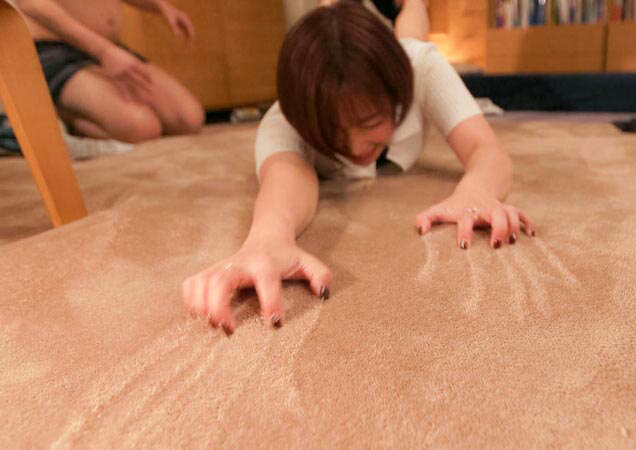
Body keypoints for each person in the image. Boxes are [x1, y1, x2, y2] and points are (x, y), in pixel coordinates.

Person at [181, 1, 535, 333]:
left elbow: (486, 149)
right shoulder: (286, 119)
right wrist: (267, 238)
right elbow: (285, 178)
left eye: (369, 122)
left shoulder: (421, 67)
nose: (354, 149)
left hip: (407, 54)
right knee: (330, 23)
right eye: (333, 134)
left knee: (411, 34)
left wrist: (476, 190)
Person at [11, 0, 204, 144]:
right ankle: (61, 117)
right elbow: (32, 4)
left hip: (107, 48)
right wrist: (103, 51)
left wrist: (161, 6)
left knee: (188, 119)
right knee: (142, 128)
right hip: (54, 49)